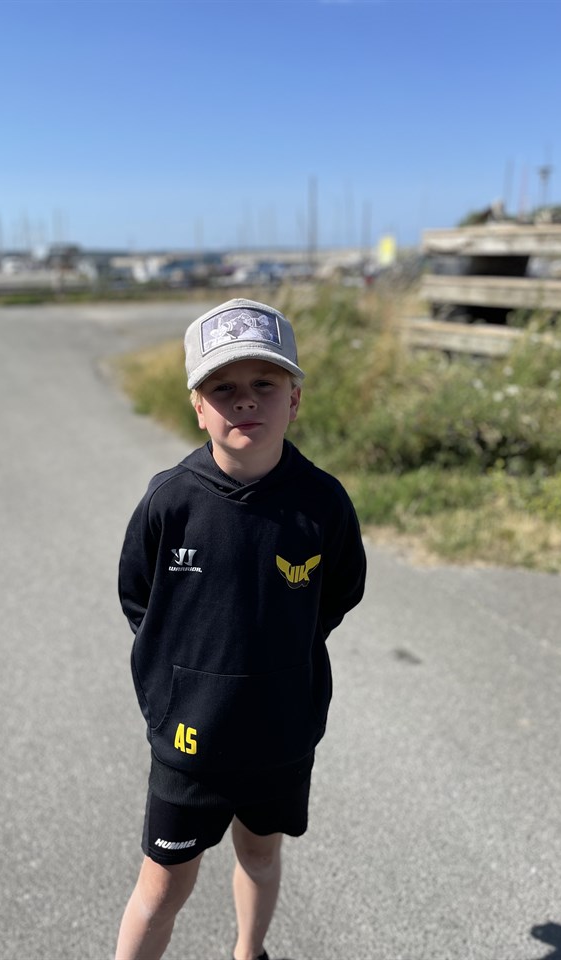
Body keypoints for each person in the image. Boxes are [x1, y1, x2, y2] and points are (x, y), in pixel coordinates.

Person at [115, 298, 367, 960]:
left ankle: (248, 952)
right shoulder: (170, 500)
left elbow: (340, 591)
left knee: (260, 854)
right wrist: (187, 679)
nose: (245, 400)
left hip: (281, 732)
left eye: (265, 383)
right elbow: (139, 598)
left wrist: (280, 656)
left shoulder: (322, 503)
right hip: (190, 737)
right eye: (223, 388)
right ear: (198, 407)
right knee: (163, 884)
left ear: (295, 399)